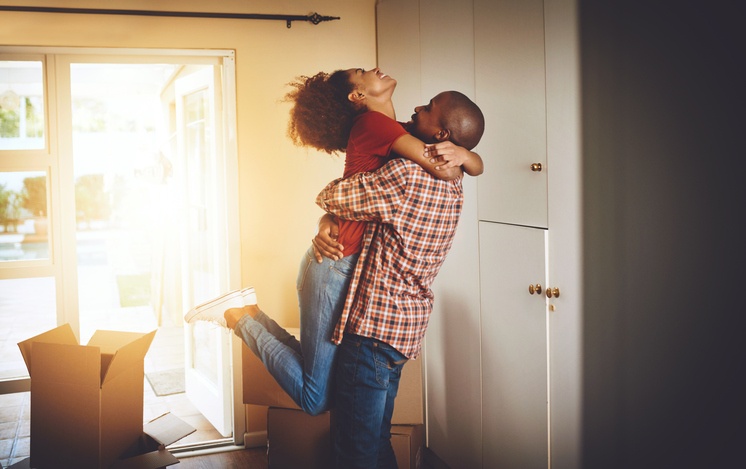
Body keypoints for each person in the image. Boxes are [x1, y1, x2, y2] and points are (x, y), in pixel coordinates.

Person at [185, 67, 482, 418]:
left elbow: (456, 159)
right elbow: (441, 166)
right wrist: (462, 160)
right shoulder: (374, 125)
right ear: (358, 96)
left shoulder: (397, 127)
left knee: (319, 381)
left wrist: (467, 157)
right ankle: (236, 317)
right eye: (362, 73)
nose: (374, 68)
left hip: (349, 264)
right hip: (336, 265)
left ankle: (249, 312)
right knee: (316, 397)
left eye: (428, 107)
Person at [313, 91, 485, 468]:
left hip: (373, 330)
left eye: (427, 109)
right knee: (375, 442)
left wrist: (331, 210)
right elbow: (472, 162)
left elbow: (333, 196)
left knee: (354, 451)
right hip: (405, 328)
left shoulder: (407, 176)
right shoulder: (455, 181)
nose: (416, 109)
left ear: (441, 134)